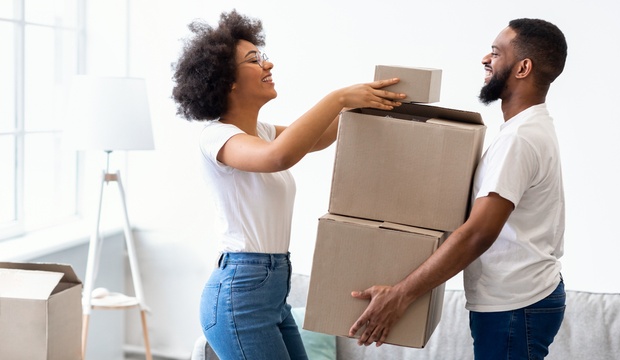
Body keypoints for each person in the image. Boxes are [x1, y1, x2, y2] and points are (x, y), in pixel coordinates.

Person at [171, 9, 405, 360]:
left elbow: (321, 137)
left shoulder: (262, 133)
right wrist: (338, 98)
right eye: (254, 60)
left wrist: (371, 104)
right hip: (241, 293)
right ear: (227, 80)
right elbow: (278, 157)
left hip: (272, 288)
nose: (268, 65)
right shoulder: (217, 138)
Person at [348, 18, 568, 360]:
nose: (485, 58)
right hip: (519, 300)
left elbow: (479, 232)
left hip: (515, 305)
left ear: (523, 67)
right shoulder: (527, 128)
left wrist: (401, 294)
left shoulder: (519, 139)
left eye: (496, 53)